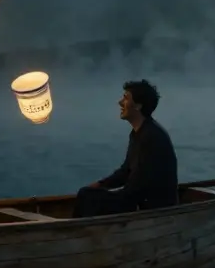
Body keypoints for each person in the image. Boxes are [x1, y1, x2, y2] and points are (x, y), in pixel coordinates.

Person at [73, 79, 178, 218]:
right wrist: (100, 184)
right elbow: (126, 171)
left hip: (153, 206)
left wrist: (108, 196)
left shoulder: (152, 136)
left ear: (138, 105)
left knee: (87, 196)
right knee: (88, 193)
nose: (120, 102)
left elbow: (139, 184)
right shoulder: (138, 133)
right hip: (138, 198)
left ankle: (74, 233)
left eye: (126, 98)